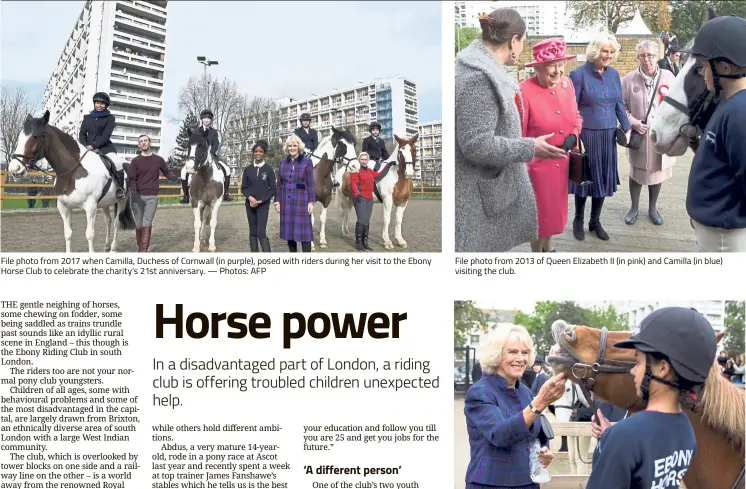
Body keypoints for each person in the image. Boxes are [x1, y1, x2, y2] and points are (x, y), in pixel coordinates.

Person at [455, 8, 566, 253]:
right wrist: (530, 146)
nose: (523, 48)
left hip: (485, 188)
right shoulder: (479, 77)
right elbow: (476, 144)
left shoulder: (482, 68)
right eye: (524, 42)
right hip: (477, 196)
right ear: (513, 41)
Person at [587, 307, 717, 489]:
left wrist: (613, 441)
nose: (632, 371)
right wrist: (611, 436)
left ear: (662, 369)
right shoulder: (686, 430)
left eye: (638, 362)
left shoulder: (625, 436)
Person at [464, 324, 567, 489]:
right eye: (513, 352)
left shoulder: (524, 391)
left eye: (525, 352)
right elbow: (500, 435)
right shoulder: (479, 392)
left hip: (528, 482)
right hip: (492, 484)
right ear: (496, 355)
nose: (521, 358)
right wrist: (539, 403)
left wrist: (543, 451)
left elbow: (535, 432)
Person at [681, 15, 746, 251]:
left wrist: (713, 214)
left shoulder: (741, 112)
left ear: (724, 68)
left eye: (704, 66)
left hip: (724, 236)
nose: (702, 72)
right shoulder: (728, 102)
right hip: (715, 227)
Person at [519, 37, 583, 252]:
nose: (558, 71)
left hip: (562, 165)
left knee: (555, 216)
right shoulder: (523, 91)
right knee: (539, 218)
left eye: (561, 64)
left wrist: (574, 135)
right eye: (551, 66)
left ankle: (549, 248)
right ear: (537, 67)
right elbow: (517, 136)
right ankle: (538, 253)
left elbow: (577, 117)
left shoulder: (567, 84)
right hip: (536, 170)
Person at [569, 32, 631, 242]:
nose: (608, 55)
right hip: (586, 136)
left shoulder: (614, 75)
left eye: (612, 52)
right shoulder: (578, 75)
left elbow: (619, 104)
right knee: (584, 179)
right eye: (605, 51)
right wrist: (575, 136)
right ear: (595, 50)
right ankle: (578, 219)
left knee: (602, 180)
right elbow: (571, 109)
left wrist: (627, 127)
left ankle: (595, 221)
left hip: (608, 136)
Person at [621, 40, 676, 226]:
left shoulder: (669, 77)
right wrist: (633, 123)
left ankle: (653, 208)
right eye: (642, 55)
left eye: (650, 55)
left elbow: (678, 104)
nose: (647, 59)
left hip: (661, 136)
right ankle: (634, 208)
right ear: (638, 57)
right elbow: (620, 107)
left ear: (657, 56)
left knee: (657, 172)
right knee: (637, 172)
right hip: (640, 136)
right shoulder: (628, 80)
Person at [128, 134, 177, 252]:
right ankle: (140, 246)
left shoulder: (158, 160)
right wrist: (134, 192)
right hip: (137, 196)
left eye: (146, 140)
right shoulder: (135, 161)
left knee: (147, 221)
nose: (144, 143)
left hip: (152, 197)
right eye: (141, 141)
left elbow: (166, 172)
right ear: (139, 145)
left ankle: (143, 250)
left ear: (150, 143)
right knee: (139, 222)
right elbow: (131, 178)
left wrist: (173, 177)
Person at [78, 92, 125, 199]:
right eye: (97, 103)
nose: (99, 105)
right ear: (94, 103)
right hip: (87, 148)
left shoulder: (110, 118)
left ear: (106, 105)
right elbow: (82, 133)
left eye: (102, 103)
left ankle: (120, 188)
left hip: (105, 147)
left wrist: (93, 146)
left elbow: (106, 135)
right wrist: (84, 145)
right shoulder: (87, 117)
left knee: (117, 163)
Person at [275, 134, 315, 252]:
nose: (292, 148)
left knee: (305, 234)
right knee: (289, 233)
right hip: (286, 201)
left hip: (301, 200)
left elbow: (311, 183)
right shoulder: (282, 162)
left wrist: (311, 202)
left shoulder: (306, 162)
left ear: (299, 147)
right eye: (290, 146)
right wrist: (277, 201)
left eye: (294, 145)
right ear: (287, 148)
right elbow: (279, 183)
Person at [241, 140, 276, 253]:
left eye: (260, 151)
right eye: (256, 151)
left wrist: (262, 200)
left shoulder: (269, 170)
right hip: (250, 205)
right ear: (253, 153)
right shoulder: (247, 170)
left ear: (264, 153)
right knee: (253, 233)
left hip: (263, 206)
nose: (258, 153)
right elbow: (244, 188)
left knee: (261, 233)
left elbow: (273, 189)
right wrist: (250, 198)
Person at [349, 152, 386, 251]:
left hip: (369, 199)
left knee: (366, 220)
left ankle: (365, 242)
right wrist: (357, 194)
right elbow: (353, 183)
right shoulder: (356, 171)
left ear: (368, 160)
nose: (364, 161)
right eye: (362, 159)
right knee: (361, 220)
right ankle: (358, 242)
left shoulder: (370, 171)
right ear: (359, 160)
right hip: (360, 198)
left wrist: (388, 165)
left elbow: (379, 174)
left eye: (366, 159)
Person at [195, 109, 233, 201]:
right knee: (184, 172)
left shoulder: (214, 132)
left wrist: (211, 153)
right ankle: (185, 195)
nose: (206, 120)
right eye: (204, 118)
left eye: (208, 118)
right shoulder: (197, 131)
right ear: (202, 119)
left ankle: (226, 193)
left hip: (212, 156)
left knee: (227, 170)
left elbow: (216, 143)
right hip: (199, 157)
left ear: (211, 120)